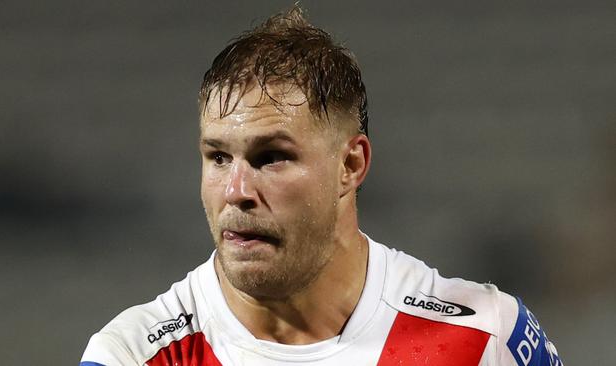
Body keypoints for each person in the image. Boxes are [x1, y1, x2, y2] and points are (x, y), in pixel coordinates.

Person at [80, 6, 563, 366]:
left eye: (271, 157)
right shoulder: (132, 355)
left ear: (350, 166)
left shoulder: (484, 339)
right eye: (218, 157)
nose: (236, 190)